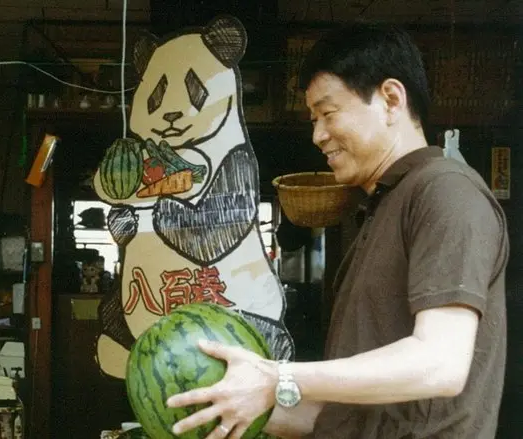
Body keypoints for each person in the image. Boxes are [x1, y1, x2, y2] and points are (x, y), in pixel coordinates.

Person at [166, 22, 508, 439]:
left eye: (328, 114)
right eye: (314, 119)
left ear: (391, 99)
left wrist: (277, 376)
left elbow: (440, 364)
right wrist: (221, 402)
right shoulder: (381, 206)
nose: (317, 135)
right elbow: (340, 416)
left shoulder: (445, 191)